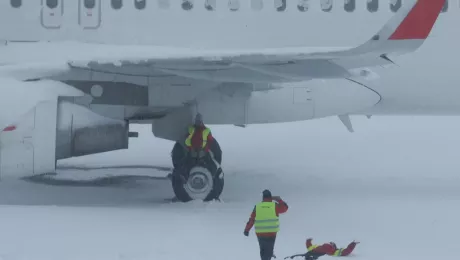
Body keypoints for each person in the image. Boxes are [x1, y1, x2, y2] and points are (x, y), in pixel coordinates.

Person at [244, 189, 289, 260]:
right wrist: (279, 199)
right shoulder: (275, 206)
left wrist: (247, 230)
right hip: (271, 233)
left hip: (260, 233)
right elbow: (285, 208)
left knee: (263, 251)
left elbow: (252, 219)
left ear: (263, 197)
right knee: (268, 251)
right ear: (271, 197)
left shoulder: (257, 207)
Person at [284, 238, 359, 260]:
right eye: (331, 243)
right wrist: (308, 241)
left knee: (307, 255)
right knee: (306, 255)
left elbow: (346, 252)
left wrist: (352, 244)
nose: (331, 244)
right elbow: (310, 247)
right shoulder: (319, 247)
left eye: (332, 244)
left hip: (315, 255)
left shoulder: (335, 252)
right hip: (312, 254)